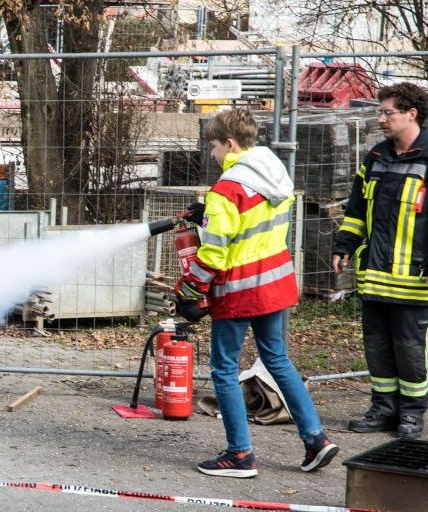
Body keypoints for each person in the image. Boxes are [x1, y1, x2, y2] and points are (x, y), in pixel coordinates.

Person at [175, 108, 338, 478]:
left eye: (215, 147)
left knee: (224, 369)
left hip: (239, 290)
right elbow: (253, 220)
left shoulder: (226, 189)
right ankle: (316, 439)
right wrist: (207, 214)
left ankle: (240, 455)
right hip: (276, 284)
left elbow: (214, 252)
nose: (214, 155)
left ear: (230, 144)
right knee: (278, 360)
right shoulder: (272, 172)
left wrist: (191, 289)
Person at [332, 83, 428, 439]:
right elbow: (357, 209)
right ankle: (383, 409)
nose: (381, 119)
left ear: (411, 114)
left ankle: (413, 414)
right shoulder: (375, 157)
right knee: (377, 345)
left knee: (410, 348)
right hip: (375, 273)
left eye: (388, 113)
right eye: (380, 112)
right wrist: (344, 244)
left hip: (415, 277)